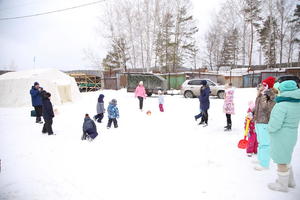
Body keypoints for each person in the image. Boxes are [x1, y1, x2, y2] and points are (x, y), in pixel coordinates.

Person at [267, 80, 300, 192]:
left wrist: (269, 129)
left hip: (281, 135)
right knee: (286, 157)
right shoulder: (297, 102)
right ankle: (290, 181)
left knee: (281, 160)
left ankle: (282, 185)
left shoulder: (282, 105)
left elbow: (275, 125)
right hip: (292, 134)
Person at [253, 76, 276, 170]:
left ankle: (264, 164)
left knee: (265, 144)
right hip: (258, 121)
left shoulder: (272, 95)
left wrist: (263, 96)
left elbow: (266, 108)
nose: (261, 86)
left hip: (265, 122)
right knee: (260, 142)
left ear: (268, 86)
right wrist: (252, 112)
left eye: (264, 84)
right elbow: (257, 107)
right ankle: (260, 159)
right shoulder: (262, 94)